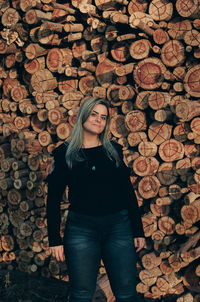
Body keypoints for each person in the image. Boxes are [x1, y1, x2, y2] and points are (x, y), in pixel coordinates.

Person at [46, 97, 145, 302]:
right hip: (81, 230)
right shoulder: (65, 154)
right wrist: (54, 238)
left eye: (103, 117)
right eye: (94, 114)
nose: (98, 120)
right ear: (83, 115)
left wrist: (137, 230)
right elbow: (54, 197)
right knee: (81, 295)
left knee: (127, 294)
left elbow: (127, 192)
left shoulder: (113, 151)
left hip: (118, 227)